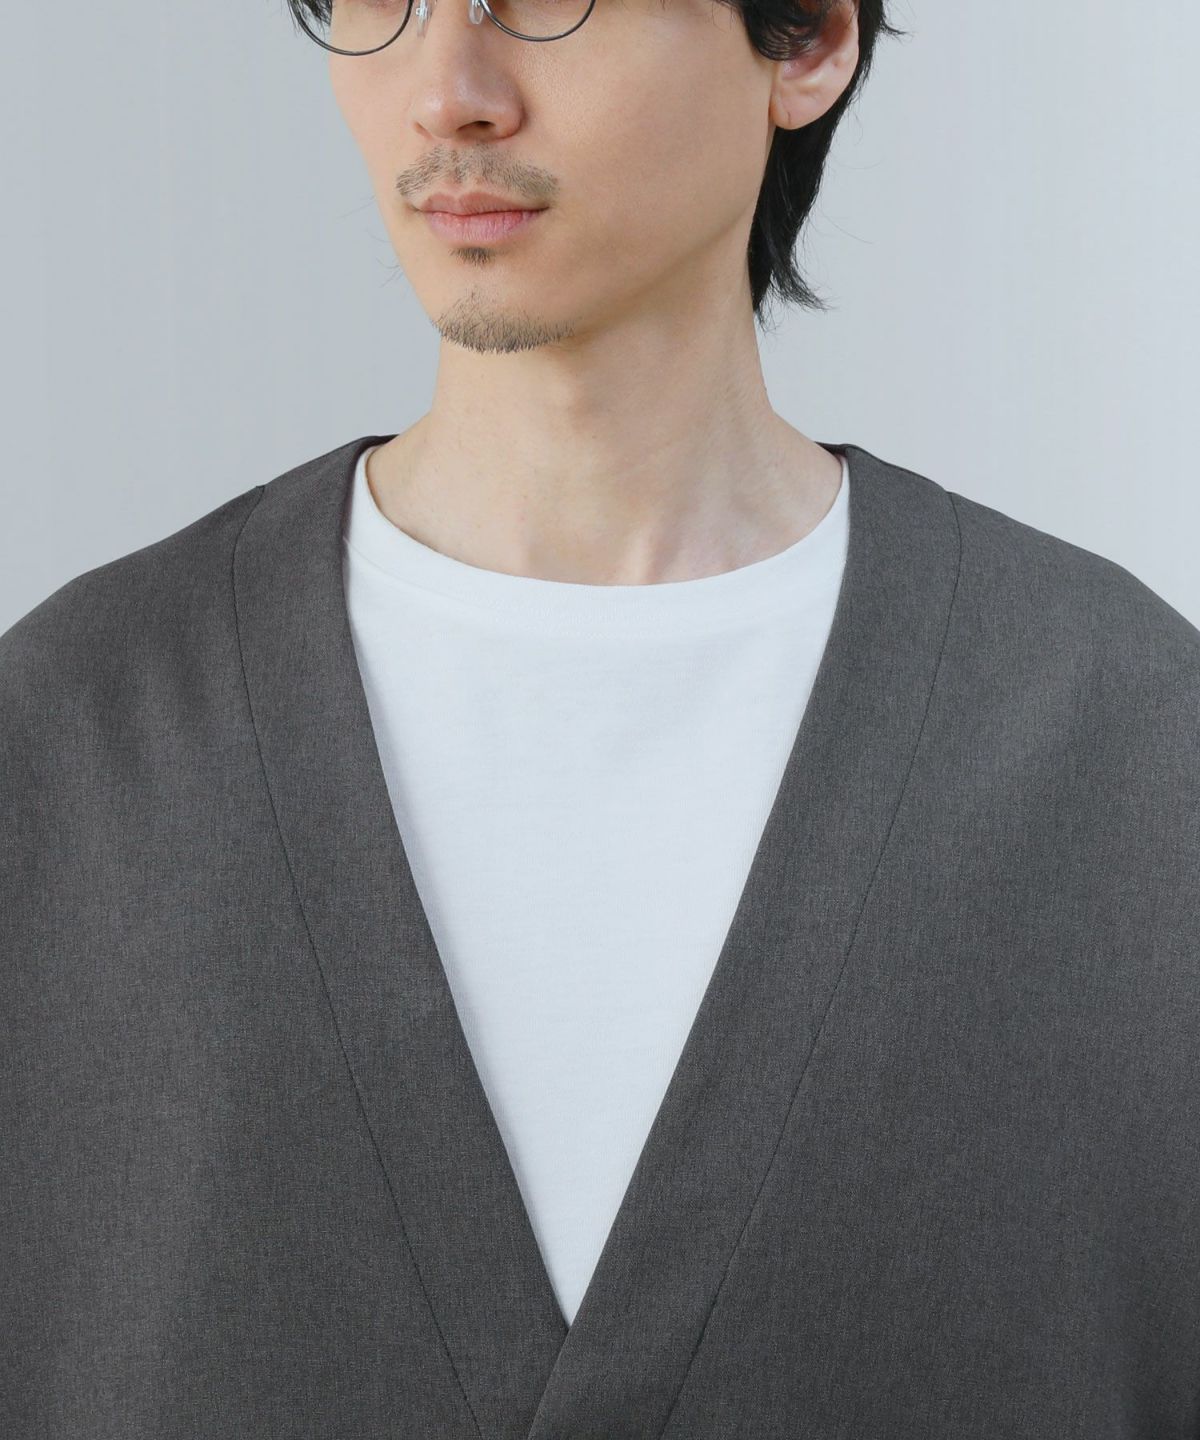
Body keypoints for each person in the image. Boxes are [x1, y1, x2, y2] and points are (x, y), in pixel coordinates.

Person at [4, 0, 1199, 1435]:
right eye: (380, 0)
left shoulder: (1135, 758)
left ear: (810, 42)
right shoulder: (71, 744)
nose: (446, 91)